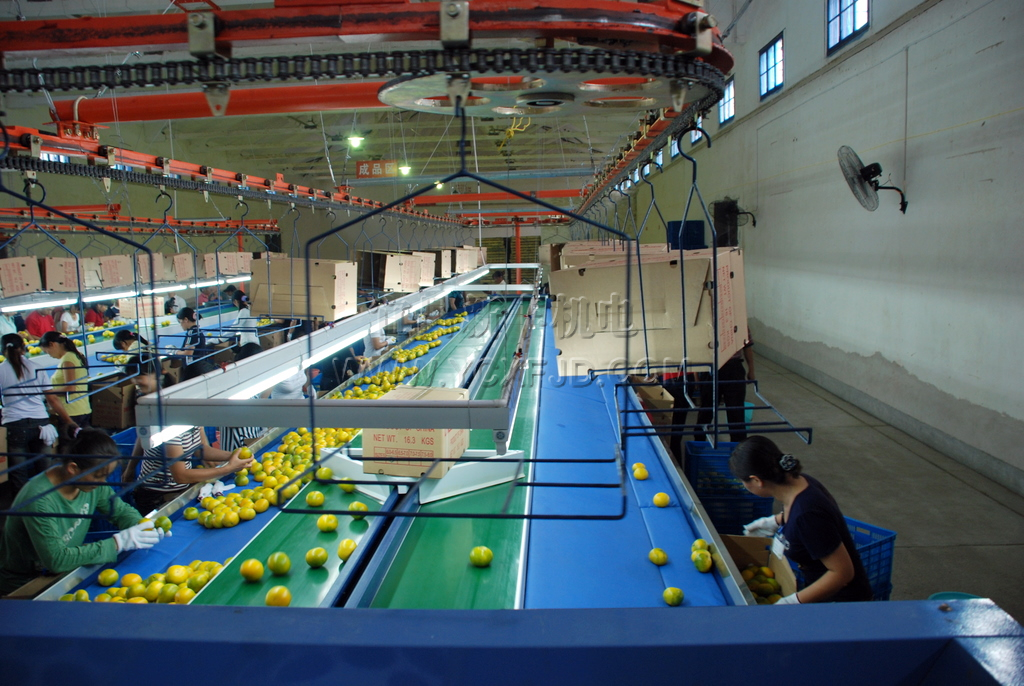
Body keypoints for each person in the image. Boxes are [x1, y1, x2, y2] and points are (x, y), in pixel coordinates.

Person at [0, 430, 167, 596]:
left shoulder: (89, 483)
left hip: (64, 571)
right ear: (73, 468)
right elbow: (57, 560)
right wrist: (117, 543)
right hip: (26, 584)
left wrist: (142, 527)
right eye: (98, 476)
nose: (102, 483)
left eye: (105, 476)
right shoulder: (39, 500)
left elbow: (120, 511)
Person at [730, 436, 873, 604]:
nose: (744, 486)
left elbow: (843, 573)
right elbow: (800, 515)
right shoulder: (798, 483)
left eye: (743, 481)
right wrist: (775, 521)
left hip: (841, 602)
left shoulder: (807, 514)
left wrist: (791, 602)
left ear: (756, 480)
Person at [126, 355, 253, 514]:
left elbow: (200, 449)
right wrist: (227, 468)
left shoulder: (194, 409)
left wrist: (234, 456)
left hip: (179, 491)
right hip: (157, 496)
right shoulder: (171, 418)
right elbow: (180, 475)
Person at [0, 334, 57, 492]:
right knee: (46, 472)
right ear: (23, 348)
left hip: (14, 425)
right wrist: (68, 420)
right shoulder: (36, 367)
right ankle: (46, 501)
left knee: (19, 473)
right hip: (41, 424)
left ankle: (22, 504)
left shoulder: (1, 370)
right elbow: (52, 398)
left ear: (2, 350)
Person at [40, 331, 92, 447]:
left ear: (52, 344)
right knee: (84, 446)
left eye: (47, 351)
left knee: (69, 448)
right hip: (82, 408)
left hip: (71, 412)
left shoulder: (68, 359)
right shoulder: (74, 355)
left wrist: (48, 393)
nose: (49, 355)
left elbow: (70, 387)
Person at [176, 307, 214, 380]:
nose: (181, 325)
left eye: (180, 322)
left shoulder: (192, 333)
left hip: (192, 370)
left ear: (186, 320)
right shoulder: (198, 331)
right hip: (198, 368)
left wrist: (174, 351)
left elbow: (188, 353)